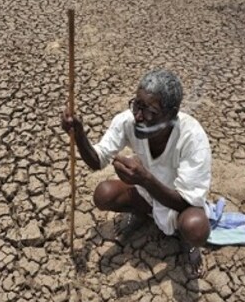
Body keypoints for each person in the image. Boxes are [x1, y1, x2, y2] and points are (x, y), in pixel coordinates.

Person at [61, 69, 211, 278]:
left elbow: (186, 202)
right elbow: (98, 160)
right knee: (104, 194)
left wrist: (145, 179)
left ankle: (189, 246)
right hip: (147, 195)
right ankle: (142, 214)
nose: (139, 116)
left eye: (149, 111)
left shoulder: (192, 137)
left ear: (172, 113)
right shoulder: (128, 122)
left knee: (195, 228)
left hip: (177, 203)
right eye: (137, 105)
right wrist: (79, 135)